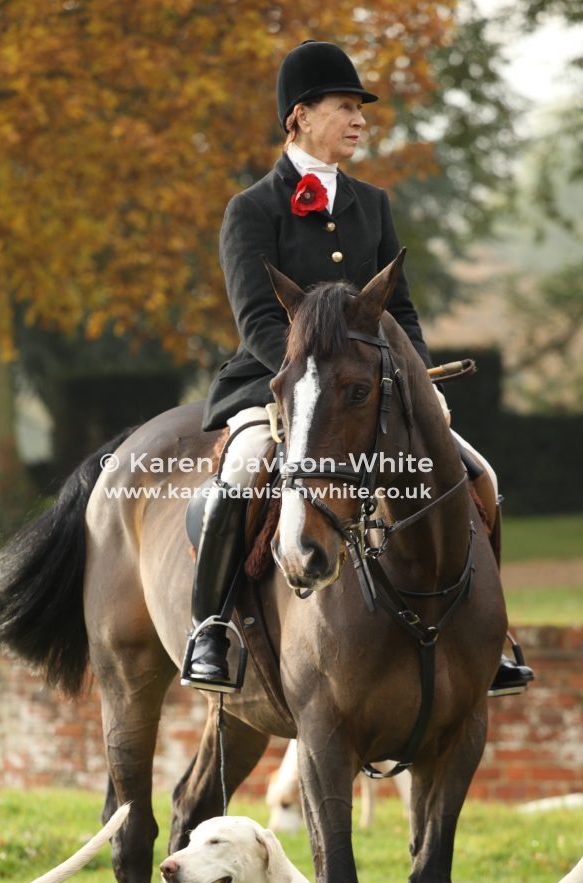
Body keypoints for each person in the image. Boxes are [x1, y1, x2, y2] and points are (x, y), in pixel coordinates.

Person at [181, 40, 533, 698]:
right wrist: (309, 383)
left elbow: (399, 309)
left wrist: (418, 380)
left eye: (360, 109)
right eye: (345, 106)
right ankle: (210, 627)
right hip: (276, 384)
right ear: (300, 116)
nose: (360, 119)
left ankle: (491, 634)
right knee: (242, 469)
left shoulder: (371, 202)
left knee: (477, 473)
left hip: (371, 387)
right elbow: (257, 321)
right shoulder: (251, 208)